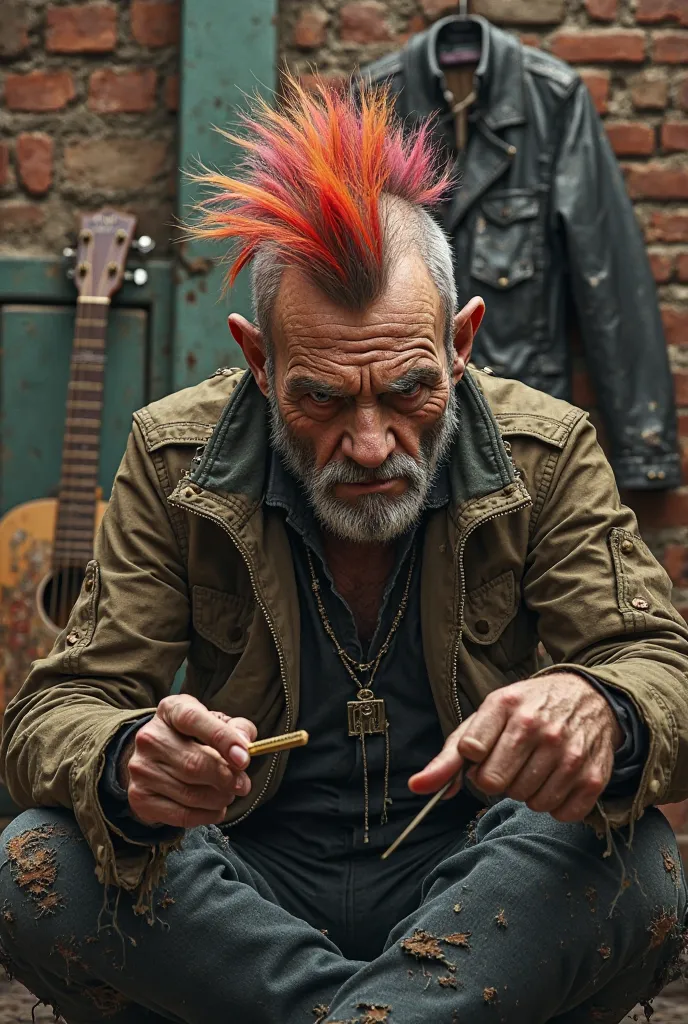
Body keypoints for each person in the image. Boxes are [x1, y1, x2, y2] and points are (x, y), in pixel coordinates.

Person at [0, 78, 686, 1024]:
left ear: (460, 343)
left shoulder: (547, 451)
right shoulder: (173, 458)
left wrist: (603, 709)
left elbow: (663, 669)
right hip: (246, 888)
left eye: (408, 390)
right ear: (258, 360)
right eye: (321, 398)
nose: (370, 444)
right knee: (35, 861)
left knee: (642, 869)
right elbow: (52, 715)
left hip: (478, 889)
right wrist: (128, 760)